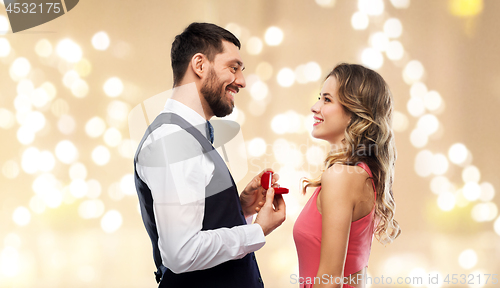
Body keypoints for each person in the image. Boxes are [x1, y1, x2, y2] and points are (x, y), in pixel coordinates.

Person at [134, 22, 286, 288]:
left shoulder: (188, 135)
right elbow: (181, 253)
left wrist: (240, 209)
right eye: (233, 67)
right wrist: (257, 231)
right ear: (200, 65)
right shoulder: (173, 141)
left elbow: (197, 223)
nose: (242, 81)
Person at [293, 63, 401, 288]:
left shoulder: (341, 177)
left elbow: (330, 281)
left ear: (356, 112)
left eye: (327, 100)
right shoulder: (361, 175)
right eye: (319, 98)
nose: (315, 107)